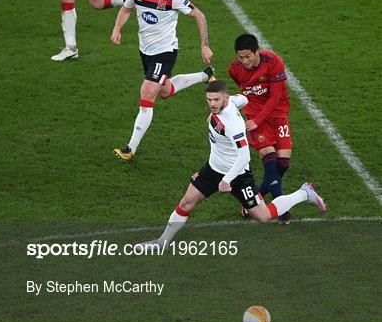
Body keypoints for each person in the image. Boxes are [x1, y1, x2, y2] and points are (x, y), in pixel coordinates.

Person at [134, 80, 325, 253]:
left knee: (263, 216)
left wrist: (226, 180)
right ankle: (162, 242)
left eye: (217, 100)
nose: (213, 104)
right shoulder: (230, 102)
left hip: (237, 175)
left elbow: (244, 156)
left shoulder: (232, 124)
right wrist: (220, 109)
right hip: (213, 168)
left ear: (225, 97)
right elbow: (243, 99)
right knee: (186, 202)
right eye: (209, 100)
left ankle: (304, 193)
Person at [111, 0, 214, 162]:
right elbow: (126, 8)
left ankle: (130, 149)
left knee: (147, 93)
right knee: (165, 91)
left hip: (165, 52)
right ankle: (205, 76)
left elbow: (199, 15)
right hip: (145, 52)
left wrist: (204, 45)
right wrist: (117, 29)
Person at [228, 34, 292, 225]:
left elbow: (275, 97)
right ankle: (283, 210)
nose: (244, 61)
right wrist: (254, 119)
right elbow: (247, 91)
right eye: (241, 57)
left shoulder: (273, 62)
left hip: (278, 113)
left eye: (248, 56)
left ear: (257, 52)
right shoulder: (234, 69)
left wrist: (259, 119)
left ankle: (253, 201)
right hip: (254, 117)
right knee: (271, 165)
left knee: (283, 165)